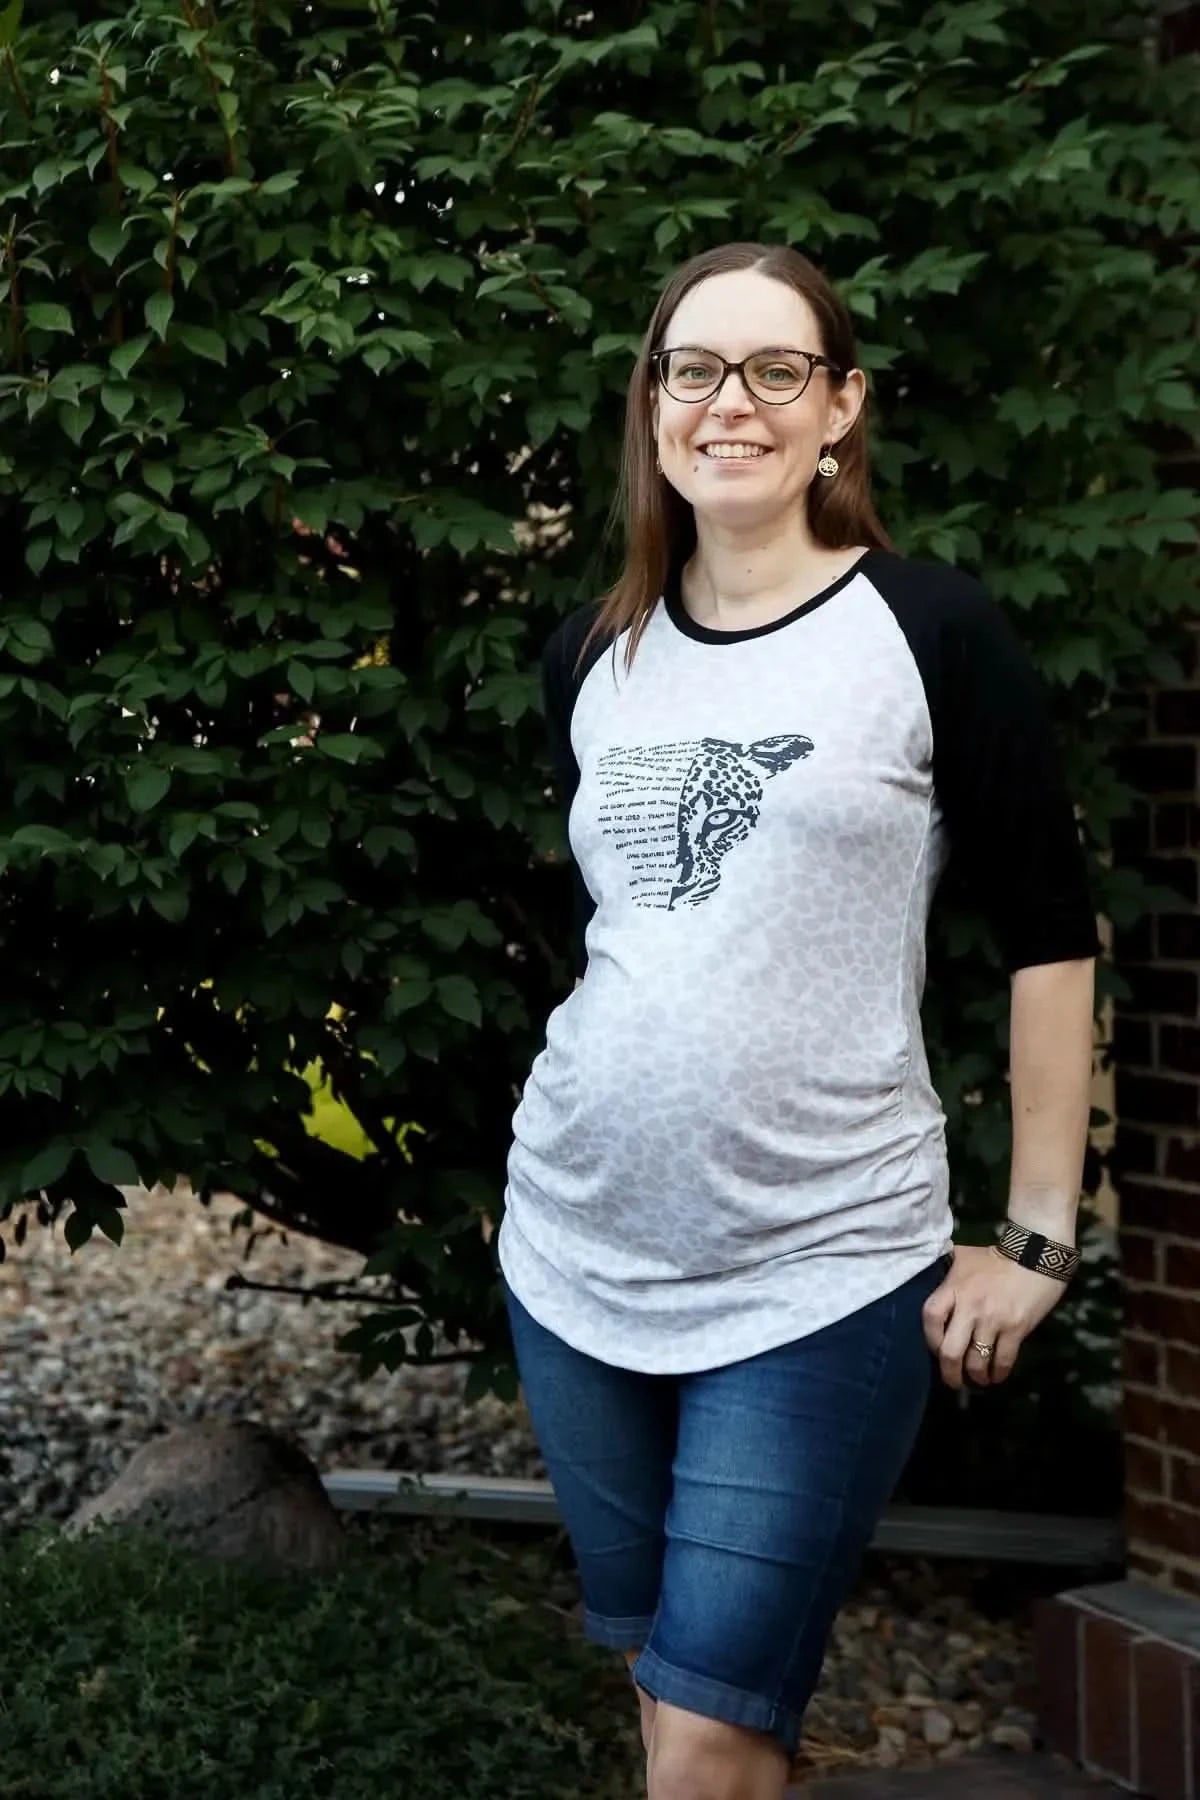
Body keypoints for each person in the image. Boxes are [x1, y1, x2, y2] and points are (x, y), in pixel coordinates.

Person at [494, 241, 1100, 1800]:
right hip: (575, 1258)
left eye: (777, 370)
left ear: (841, 408)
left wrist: (1038, 1236)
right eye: (694, 369)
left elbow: (1048, 934)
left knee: (706, 1738)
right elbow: (631, 935)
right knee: (678, 1708)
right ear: (652, 406)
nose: (731, 404)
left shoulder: (932, 631)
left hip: (819, 1270)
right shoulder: (592, 655)